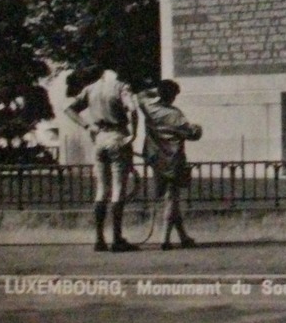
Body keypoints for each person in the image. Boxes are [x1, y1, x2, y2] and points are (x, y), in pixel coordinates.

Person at [65, 68, 140, 252]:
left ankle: (99, 238)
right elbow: (132, 110)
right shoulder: (122, 87)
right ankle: (117, 238)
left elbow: (69, 109)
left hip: (99, 138)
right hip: (117, 136)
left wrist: (87, 126)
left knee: (101, 190)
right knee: (118, 189)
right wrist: (134, 134)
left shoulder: (91, 89)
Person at [134, 77, 204, 249]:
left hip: (155, 158)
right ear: (172, 96)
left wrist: (156, 91)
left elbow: (140, 94)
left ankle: (184, 237)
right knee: (171, 198)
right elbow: (192, 135)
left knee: (169, 199)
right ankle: (165, 239)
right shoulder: (175, 114)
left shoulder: (149, 108)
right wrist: (198, 128)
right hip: (173, 159)